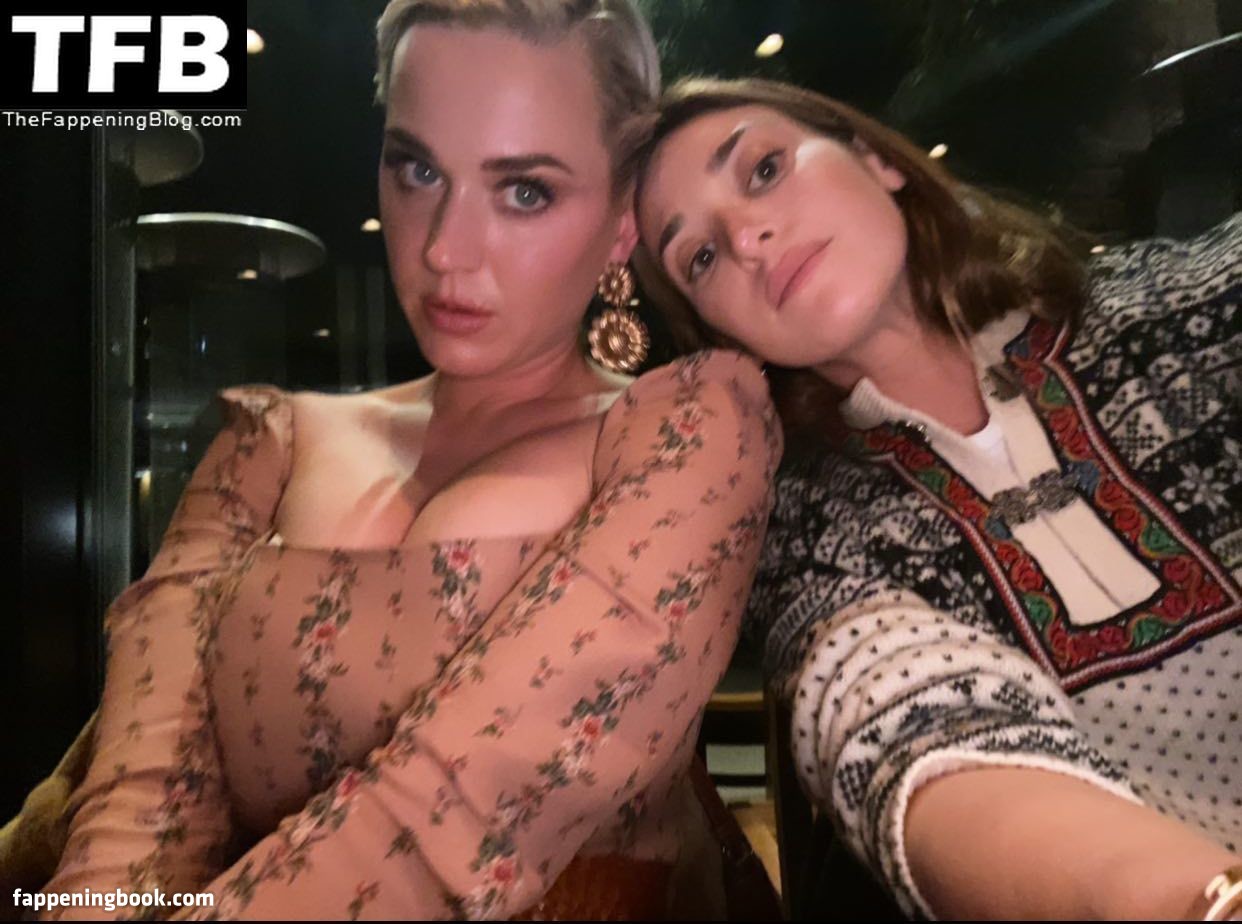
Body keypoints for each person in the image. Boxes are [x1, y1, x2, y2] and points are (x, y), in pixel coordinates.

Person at [24, 12, 782, 921]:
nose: (442, 249)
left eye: (525, 191)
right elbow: (137, 807)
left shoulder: (689, 432)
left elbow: (451, 821)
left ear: (624, 221)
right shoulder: (270, 440)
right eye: (418, 171)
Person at [632, 76, 1241, 920]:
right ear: (719, 332)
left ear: (877, 160)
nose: (745, 237)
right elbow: (899, 719)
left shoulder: (1185, 311)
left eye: (764, 170)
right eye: (698, 258)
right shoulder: (807, 530)